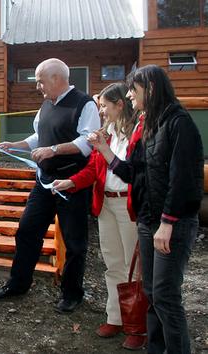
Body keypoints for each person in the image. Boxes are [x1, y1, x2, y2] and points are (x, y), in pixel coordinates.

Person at [88, 65, 203, 354]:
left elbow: (184, 181)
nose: (128, 95)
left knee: (165, 295)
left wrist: (167, 222)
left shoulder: (179, 123)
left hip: (171, 224)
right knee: (152, 293)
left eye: (133, 90)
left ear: (149, 90)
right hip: (148, 220)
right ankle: (156, 348)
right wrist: (104, 150)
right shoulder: (147, 124)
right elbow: (132, 173)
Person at [0, 58, 101, 314]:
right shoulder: (47, 104)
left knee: (75, 242)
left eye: (40, 80)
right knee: (27, 231)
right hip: (44, 182)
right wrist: (15, 145)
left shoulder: (85, 104)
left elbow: (89, 142)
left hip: (72, 183)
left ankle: (72, 293)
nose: (37, 86)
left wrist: (53, 150)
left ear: (56, 78)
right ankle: (18, 284)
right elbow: (39, 135)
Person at [52, 83, 146, 350]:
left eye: (105, 106)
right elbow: (93, 170)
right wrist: (70, 182)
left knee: (133, 268)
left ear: (120, 105)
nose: (101, 111)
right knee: (113, 264)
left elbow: (134, 172)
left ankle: (137, 327)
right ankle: (115, 317)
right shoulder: (107, 133)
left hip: (128, 207)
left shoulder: (138, 133)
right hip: (106, 206)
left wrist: (104, 147)